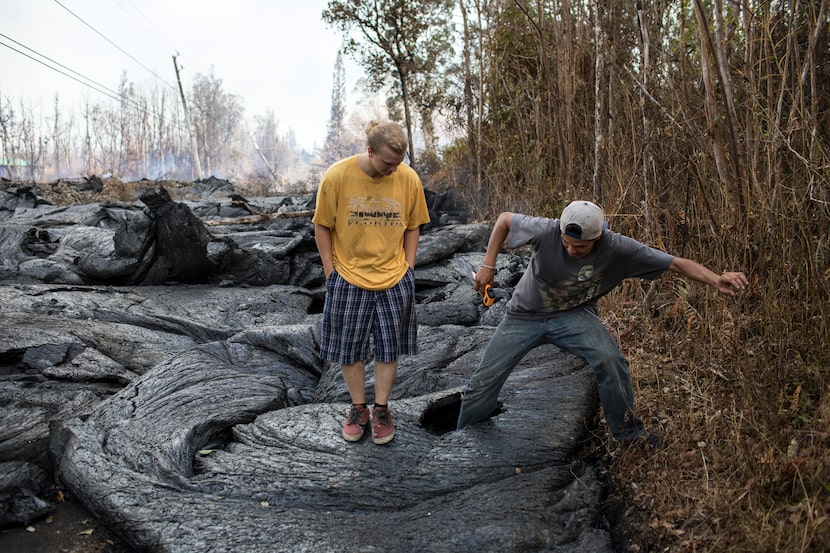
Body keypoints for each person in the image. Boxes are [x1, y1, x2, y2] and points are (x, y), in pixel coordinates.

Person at [456, 200, 748, 445]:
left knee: (611, 360)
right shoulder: (546, 230)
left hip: (573, 315)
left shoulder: (619, 248)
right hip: (523, 314)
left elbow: (675, 263)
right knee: (484, 380)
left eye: (580, 248)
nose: (571, 251)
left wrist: (715, 279)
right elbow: (505, 220)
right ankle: (462, 440)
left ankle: (629, 434)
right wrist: (488, 265)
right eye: (566, 244)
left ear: (598, 239)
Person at [313, 121, 430, 445]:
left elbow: (413, 226)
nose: (395, 170)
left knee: (388, 347)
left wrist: (409, 266)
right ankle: (358, 408)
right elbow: (322, 226)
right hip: (348, 277)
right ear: (369, 151)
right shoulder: (337, 177)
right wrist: (329, 271)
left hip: (394, 278)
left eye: (399, 162)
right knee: (350, 349)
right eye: (388, 163)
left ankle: (381, 409)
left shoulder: (408, 179)